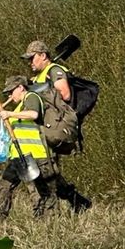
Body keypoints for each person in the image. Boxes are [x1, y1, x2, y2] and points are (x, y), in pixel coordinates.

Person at [22, 40, 91, 213]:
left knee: (47, 172)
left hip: (53, 127)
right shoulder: (40, 76)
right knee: (48, 171)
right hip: (41, 129)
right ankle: (78, 202)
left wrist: (39, 90)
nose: (29, 62)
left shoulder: (55, 70)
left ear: (43, 55)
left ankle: (50, 211)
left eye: (32, 58)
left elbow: (65, 94)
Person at [0, 75, 64, 218]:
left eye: (11, 91)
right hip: (20, 156)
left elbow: (33, 114)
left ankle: (51, 225)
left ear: (20, 88)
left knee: (45, 192)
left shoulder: (32, 97)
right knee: (5, 185)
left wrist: (9, 113)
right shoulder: (20, 106)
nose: (9, 95)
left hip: (37, 155)